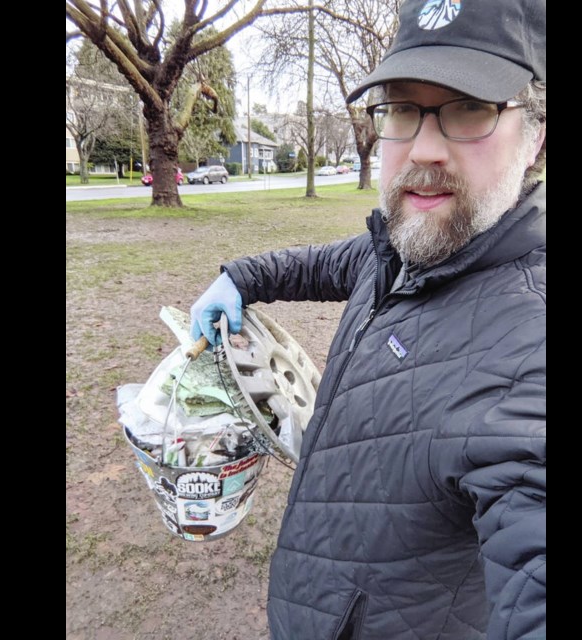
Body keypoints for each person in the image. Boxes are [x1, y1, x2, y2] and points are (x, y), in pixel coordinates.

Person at [190, 0, 545, 637]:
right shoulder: (404, 250)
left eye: (470, 108)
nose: (426, 148)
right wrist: (240, 277)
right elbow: (326, 263)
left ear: (536, 135)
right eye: (403, 109)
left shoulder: (531, 358)